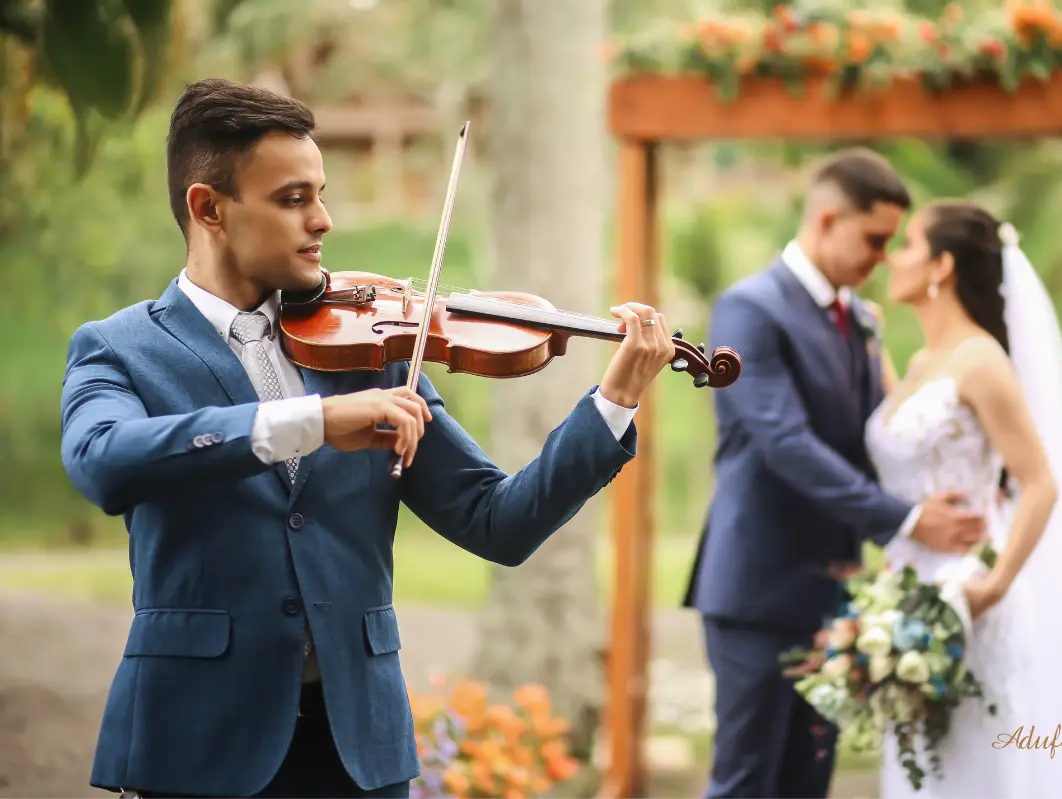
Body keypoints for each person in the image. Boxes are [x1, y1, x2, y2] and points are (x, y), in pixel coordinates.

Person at [59, 78, 675, 799]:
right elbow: (102, 460)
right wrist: (313, 423)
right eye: (293, 199)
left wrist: (615, 399)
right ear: (209, 208)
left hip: (357, 747)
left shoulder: (372, 345)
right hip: (196, 742)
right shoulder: (120, 348)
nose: (322, 220)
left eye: (321, 193)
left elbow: (498, 521)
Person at [682, 148, 988, 799]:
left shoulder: (863, 321)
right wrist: (906, 521)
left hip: (840, 595)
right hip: (757, 593)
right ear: (826, 219)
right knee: (745, 778)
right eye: (874, 239)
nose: (883, 257)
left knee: (806, 781)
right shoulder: (749, 308)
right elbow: (784, 442)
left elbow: (875, 438)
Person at [869, 200, 1062, 797]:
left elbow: (1041, 482)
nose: (893, 257)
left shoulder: (981, 362)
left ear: (942, 266)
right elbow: (904, 450)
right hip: (907, 589)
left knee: (971, 764)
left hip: (969, 592)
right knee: (924, 765)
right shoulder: (926, 362)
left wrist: (994, 584)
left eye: (908, 244)